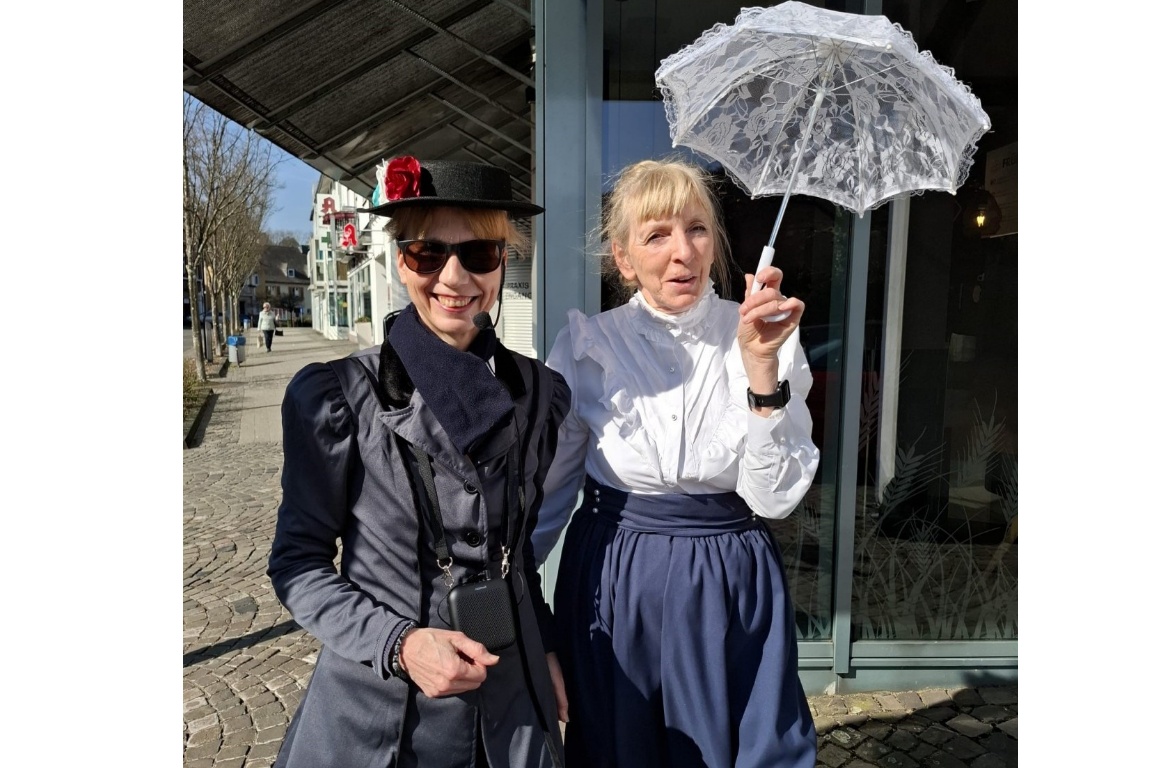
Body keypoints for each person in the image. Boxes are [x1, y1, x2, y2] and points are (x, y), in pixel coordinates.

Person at [268, 158, 570, 768]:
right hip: (381, 713)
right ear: (402, 262)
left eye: (479, 253)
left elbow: (516, 551)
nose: (454, 277)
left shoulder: (541, 396)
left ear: (503, 262)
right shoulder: (336, 400)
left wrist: (546, 652)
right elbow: (298, 566)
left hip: (512, 710)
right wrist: (401, 645)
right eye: (427, 253)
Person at [533, 158, 820, 768]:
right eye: (656, 235)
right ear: (623, 257)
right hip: (614, 582)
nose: (681, 252)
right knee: (619, 746)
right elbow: (549, 493)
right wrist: (517, 607)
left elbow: (774, 500)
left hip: (729, 582)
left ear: (716, 244)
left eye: (697, 230)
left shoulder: (760, 334)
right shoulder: (587, 347)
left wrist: (762, 368)